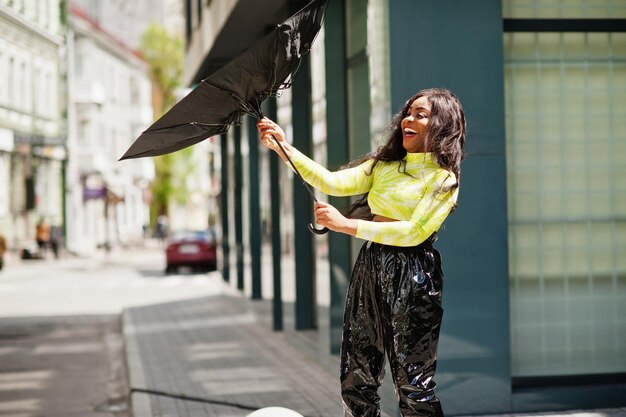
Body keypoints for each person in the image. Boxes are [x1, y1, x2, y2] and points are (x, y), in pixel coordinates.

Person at [258, 88, 466, 417]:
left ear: (441, 125)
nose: (408, 119)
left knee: (413, 385)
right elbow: (329, 181)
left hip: (413, 274)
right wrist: (283, 147)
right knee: (357, 378)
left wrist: (346, 225)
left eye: (421, 114)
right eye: (408, 112)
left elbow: (414, 232)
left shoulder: (443, 180)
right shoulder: (383, 166)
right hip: (372, 264)